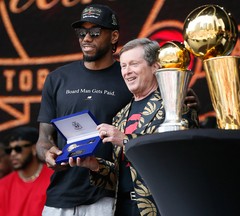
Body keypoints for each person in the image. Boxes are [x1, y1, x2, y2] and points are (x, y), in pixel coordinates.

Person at [68, 38, 199, 216]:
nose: (127, 72)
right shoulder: (120, 115)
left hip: (162, 208)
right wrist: (95, 166)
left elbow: (180, 157)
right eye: (123, 66)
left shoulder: (175, 105)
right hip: (123, 208)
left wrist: (125, 139)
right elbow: (121, 176)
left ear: (155, 67)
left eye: (134, 64)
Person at [36, 4, 133, 216]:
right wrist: (48, 154)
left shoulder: (128, 78)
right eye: (82, 32)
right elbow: (43, 140)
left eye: (95, 32)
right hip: (59, 196)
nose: (86, 38)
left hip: (107, 196)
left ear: (114, 36)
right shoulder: (57, 78)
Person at [0, 126, 54, 216]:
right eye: (9, 150)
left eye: (18, 149)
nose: (13, 154)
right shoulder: (3, 185)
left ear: (34, 148)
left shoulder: (53, 177)